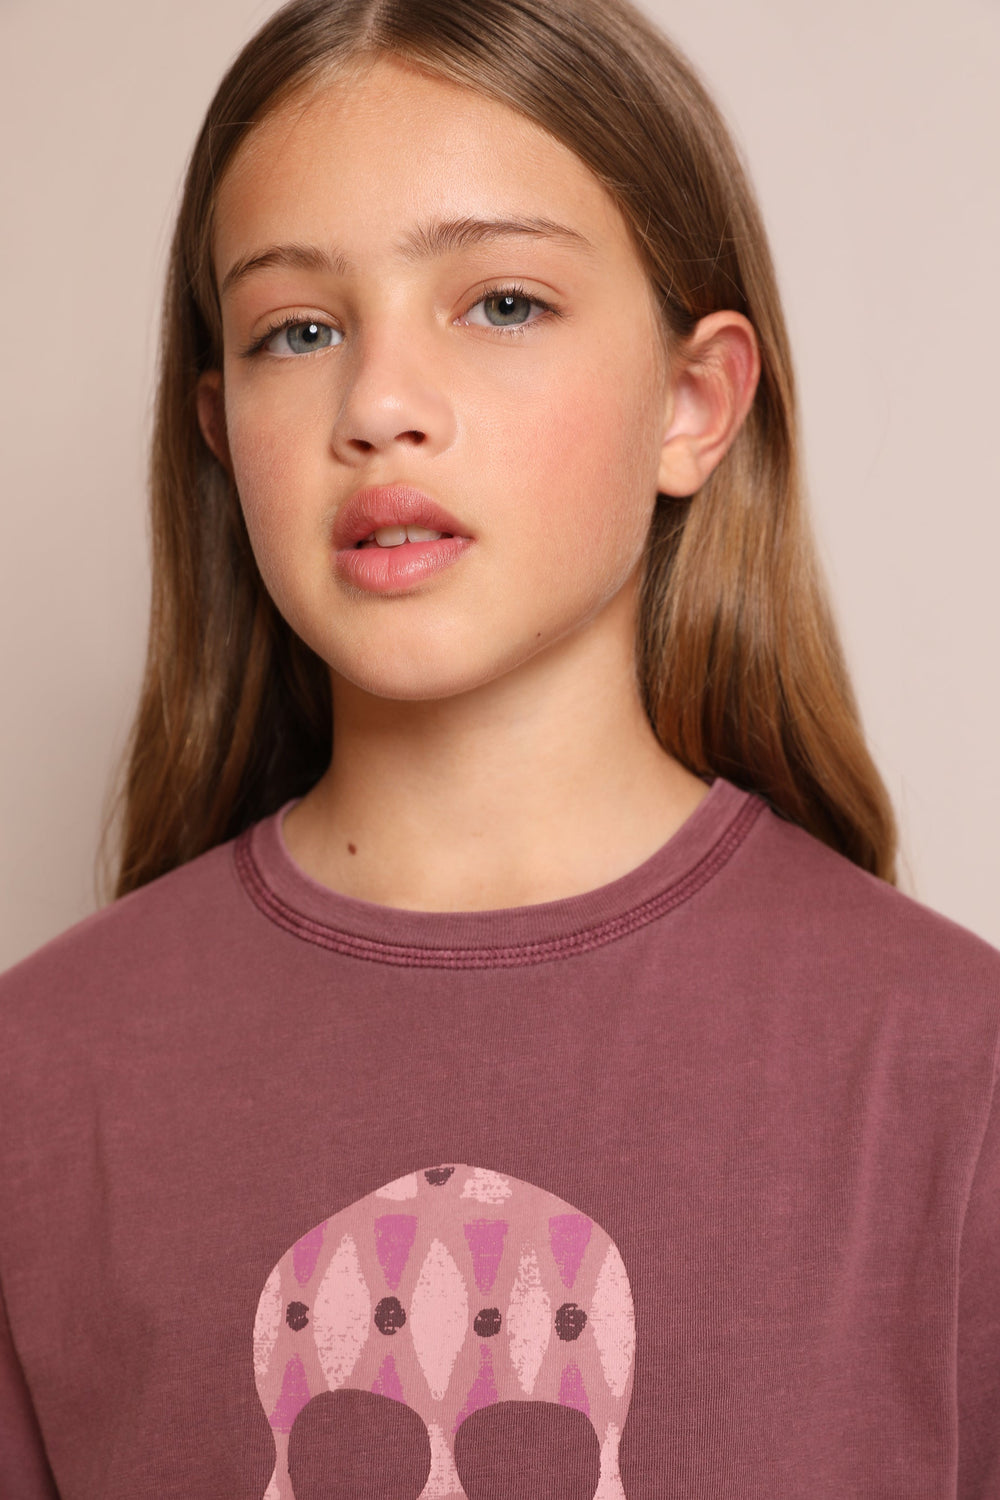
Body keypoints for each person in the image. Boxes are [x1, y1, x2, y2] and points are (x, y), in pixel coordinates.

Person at [1, 0, 997, 1495]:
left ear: (693, 402)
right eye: (298, 330)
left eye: (504, 303)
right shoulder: (35, 1087)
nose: (379, 407)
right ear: (220, 428)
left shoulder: (954, 1076)